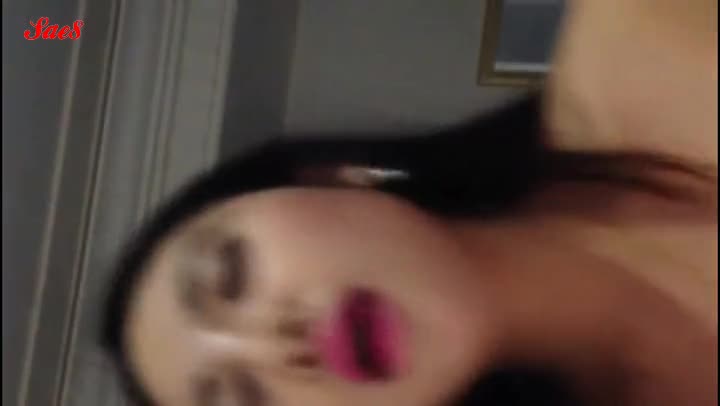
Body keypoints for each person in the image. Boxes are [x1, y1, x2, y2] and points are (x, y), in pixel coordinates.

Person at [100, 1, 718, 404]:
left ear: (329, 177)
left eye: (231, 274)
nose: (275, 346)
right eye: (246, 399)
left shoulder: (646, 32)